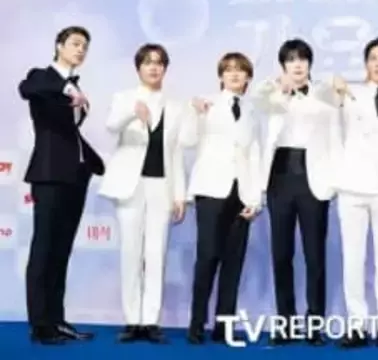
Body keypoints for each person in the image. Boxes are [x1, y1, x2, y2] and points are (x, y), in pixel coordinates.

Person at [251, 38, 342, 346]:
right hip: (279, 178)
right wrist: (278, 86)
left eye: (302, 59)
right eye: (291, 60)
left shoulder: (325, 94)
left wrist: (334, 180)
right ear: (283, 66)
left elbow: (336, 135)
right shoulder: (272, 95)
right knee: (281, 255)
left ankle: (315, 323)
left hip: (313, 180)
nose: (297, 64)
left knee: (315, 256)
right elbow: (257, 97)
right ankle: (285, 322)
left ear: (310, 63)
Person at [19, 25, 105, 344]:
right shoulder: (42, 77)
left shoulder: (74, 87)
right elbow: (27, 88)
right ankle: (40, 325)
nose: (80, 50)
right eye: (75, 43)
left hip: (75, 176)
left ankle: (56, 319)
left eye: (85, 46)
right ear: (59, 46)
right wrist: (67, 90)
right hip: (49, 174)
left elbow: (71, 131)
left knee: (61, 251)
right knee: (44, 249)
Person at [98, 43, 186, 344]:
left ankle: (150, 320)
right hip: (130, 185)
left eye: (159, 63)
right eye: (148, 62)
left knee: (156, 253)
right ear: (138, 68)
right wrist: (131, 113)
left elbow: (176, 153)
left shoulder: (176, 106)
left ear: (165, 69)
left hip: (162, 185)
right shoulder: (124, 98)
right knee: (130, 252)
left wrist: (180, 195)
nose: (154, 67)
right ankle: (132, 320)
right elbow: (111, 126)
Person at [181, 52, 262, 345]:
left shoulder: (252, 110)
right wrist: (195, 113)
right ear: (221, 76)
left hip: (241, 192)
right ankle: (196, 322)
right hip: (211, 189)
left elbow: (255, 154)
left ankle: (223, 324)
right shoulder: (206, 104)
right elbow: (187, 140)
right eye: (228, 70)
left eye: (240, 70)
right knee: (207, 257)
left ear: (248, 76)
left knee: (233, 261)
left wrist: (255, 198)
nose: (234, 74)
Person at [331, 37, 378, 350]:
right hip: (352, 187)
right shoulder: (348, 94)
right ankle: (357, 324)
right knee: (353, 259)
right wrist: (335, 87)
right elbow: (322, 100)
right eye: (373, 58)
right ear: (365, 64)